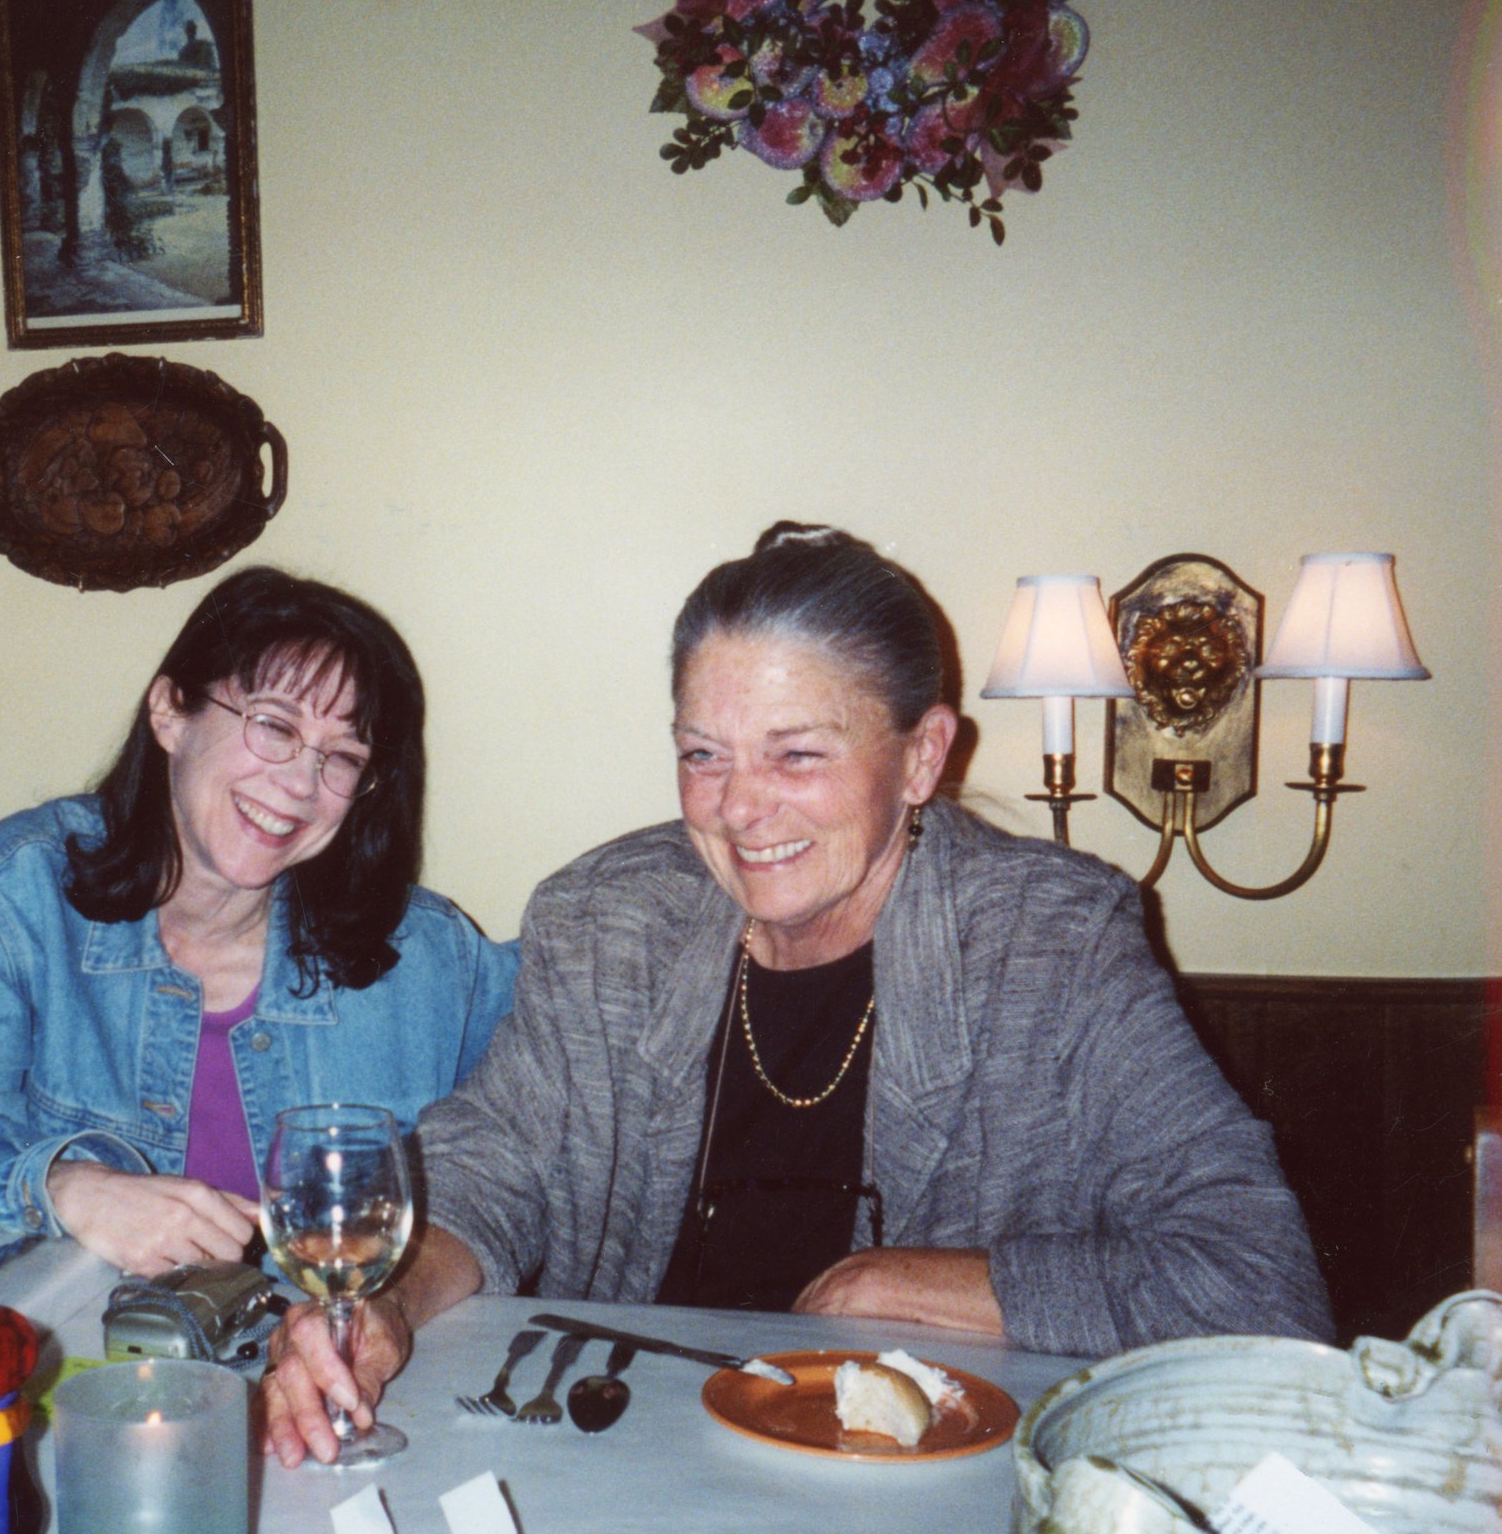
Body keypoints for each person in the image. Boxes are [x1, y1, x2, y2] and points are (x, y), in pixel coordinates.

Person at [263, 522, 1331, 1467]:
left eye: (798, 753)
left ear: (920, 757)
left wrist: (935, 1287)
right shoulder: (606, 918)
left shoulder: (1049, 944)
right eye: (702, 753)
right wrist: (382, 1309)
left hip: (917, 1490)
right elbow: (491, 1170)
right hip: (627, 1455)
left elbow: (1259, 1284)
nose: (737, 807)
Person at [0, 567, 517, 1276]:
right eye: (273, 727)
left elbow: (533, 1139)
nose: (299, 785)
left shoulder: (428, 956)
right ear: (169, 711)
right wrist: (67, 1187)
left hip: (339, 1358)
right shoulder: (4, 903)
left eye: (342, 758)